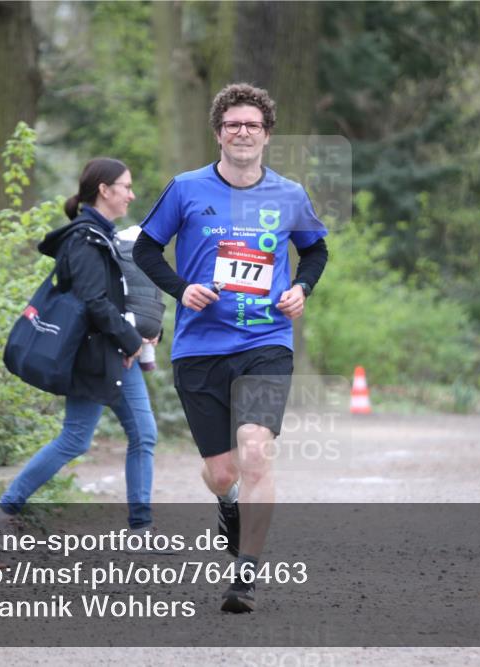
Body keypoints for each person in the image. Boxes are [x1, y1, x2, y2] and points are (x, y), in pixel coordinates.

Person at [133, 83, 329, 612]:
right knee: (222, 471)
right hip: (200, 347)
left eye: (253, 125)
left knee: (256, 448)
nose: (242, 132)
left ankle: (246, 573)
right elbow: (148, 248)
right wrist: (181, 289)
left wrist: (300, 289)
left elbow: (315, 251)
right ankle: (228, 502)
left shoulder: (289, 194)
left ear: (267, 134)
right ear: (218, 133)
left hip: (266, 340)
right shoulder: (186, 189)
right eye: (232, 125)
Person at [0, 158, 163, 539]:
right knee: (75, 439)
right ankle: (1, 511)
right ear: (104, 189)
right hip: (95, 357)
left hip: (118, 353)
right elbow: (94, 302)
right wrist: (130, 338)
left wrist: (143, 329)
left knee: (144, 434)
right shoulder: (83, 240)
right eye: (126, 186)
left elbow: (119, 296)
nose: (131, 194)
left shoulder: (103, 236)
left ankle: (141, 527)